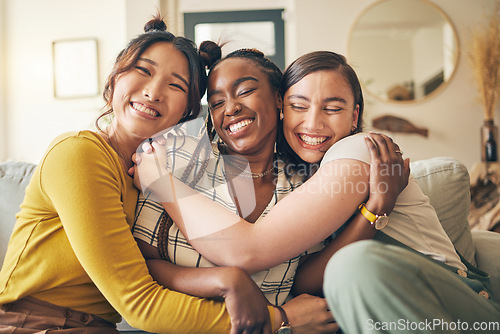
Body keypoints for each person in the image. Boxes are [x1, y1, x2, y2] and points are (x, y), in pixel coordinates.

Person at [136, 50, 500, 332]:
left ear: (354, 115)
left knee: (352, 266)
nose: (312, 123)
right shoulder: (305, 179)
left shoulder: (360, 150)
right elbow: (307, 279)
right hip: (378, 301)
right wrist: (373, 210)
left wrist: (160, 181)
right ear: (286, 107)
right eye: (300, 106)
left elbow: (251, 250)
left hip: (447, 298)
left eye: (333, 108)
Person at [0, 15, 279, 334]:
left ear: (187, 111)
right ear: (115, 77)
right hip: (33, 323)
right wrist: (282, 320)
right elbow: (139, 302)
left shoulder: (155, 173)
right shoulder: (80, 153)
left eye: (176, 85)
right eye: (143, 71)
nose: (153, 92)